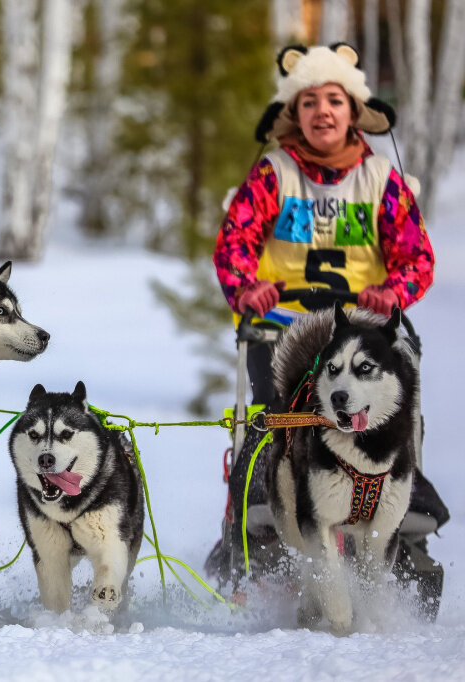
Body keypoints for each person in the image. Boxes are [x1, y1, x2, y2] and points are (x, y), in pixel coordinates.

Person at [206, 43, 447, 588]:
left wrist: (394, 290)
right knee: (275, 412)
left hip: (364, 325)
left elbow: (417, 257)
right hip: (286, 323)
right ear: (293, 112)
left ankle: (400, 507)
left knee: (397, 405)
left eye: (334, 99)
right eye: (309, 101)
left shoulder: (382, 179)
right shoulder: (273, 173)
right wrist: (248, 288)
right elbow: (235, 242)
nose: (323, 111)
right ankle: (264, 506)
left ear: (353, 110)